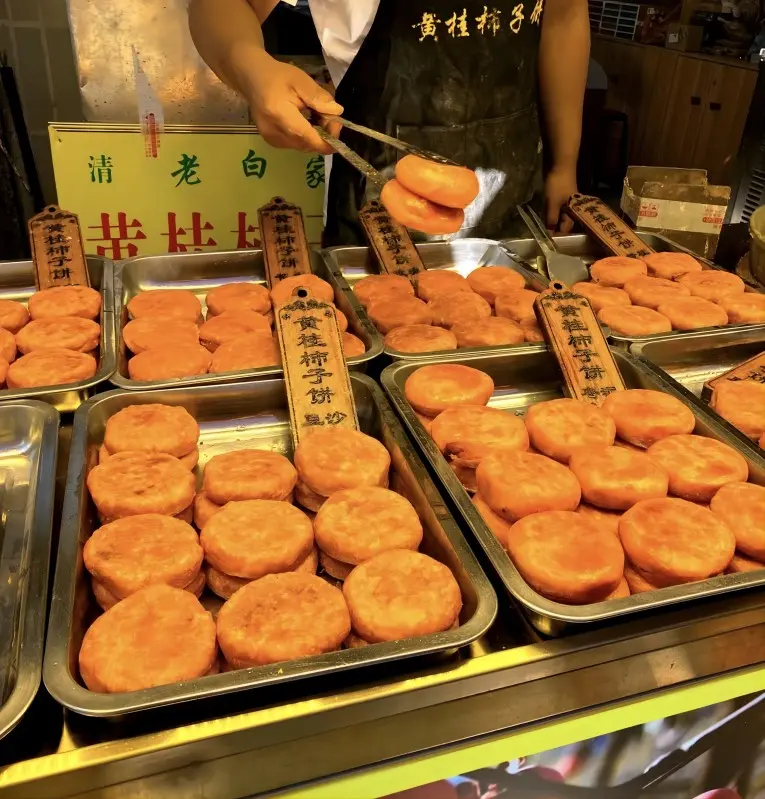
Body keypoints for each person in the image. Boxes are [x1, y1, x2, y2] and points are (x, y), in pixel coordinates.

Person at [189, 0, 590, 245]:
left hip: (515, 185)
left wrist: (565, 164)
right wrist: (254, 69)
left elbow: (565, 16)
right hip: (379, 199)